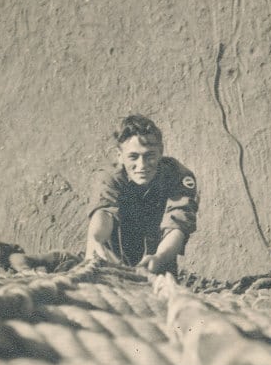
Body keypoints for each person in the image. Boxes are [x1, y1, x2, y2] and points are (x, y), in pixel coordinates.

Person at [85, 114, 198, 275]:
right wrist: (95, 240)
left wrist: (159, 258)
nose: (142, 165)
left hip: (158, 269)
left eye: (149, 155)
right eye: (133, 157)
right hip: (112, 268)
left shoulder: (177, 176)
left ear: (161, 152)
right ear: (119, 155)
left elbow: (177, 225)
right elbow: (104, 212)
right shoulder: (109, 177)